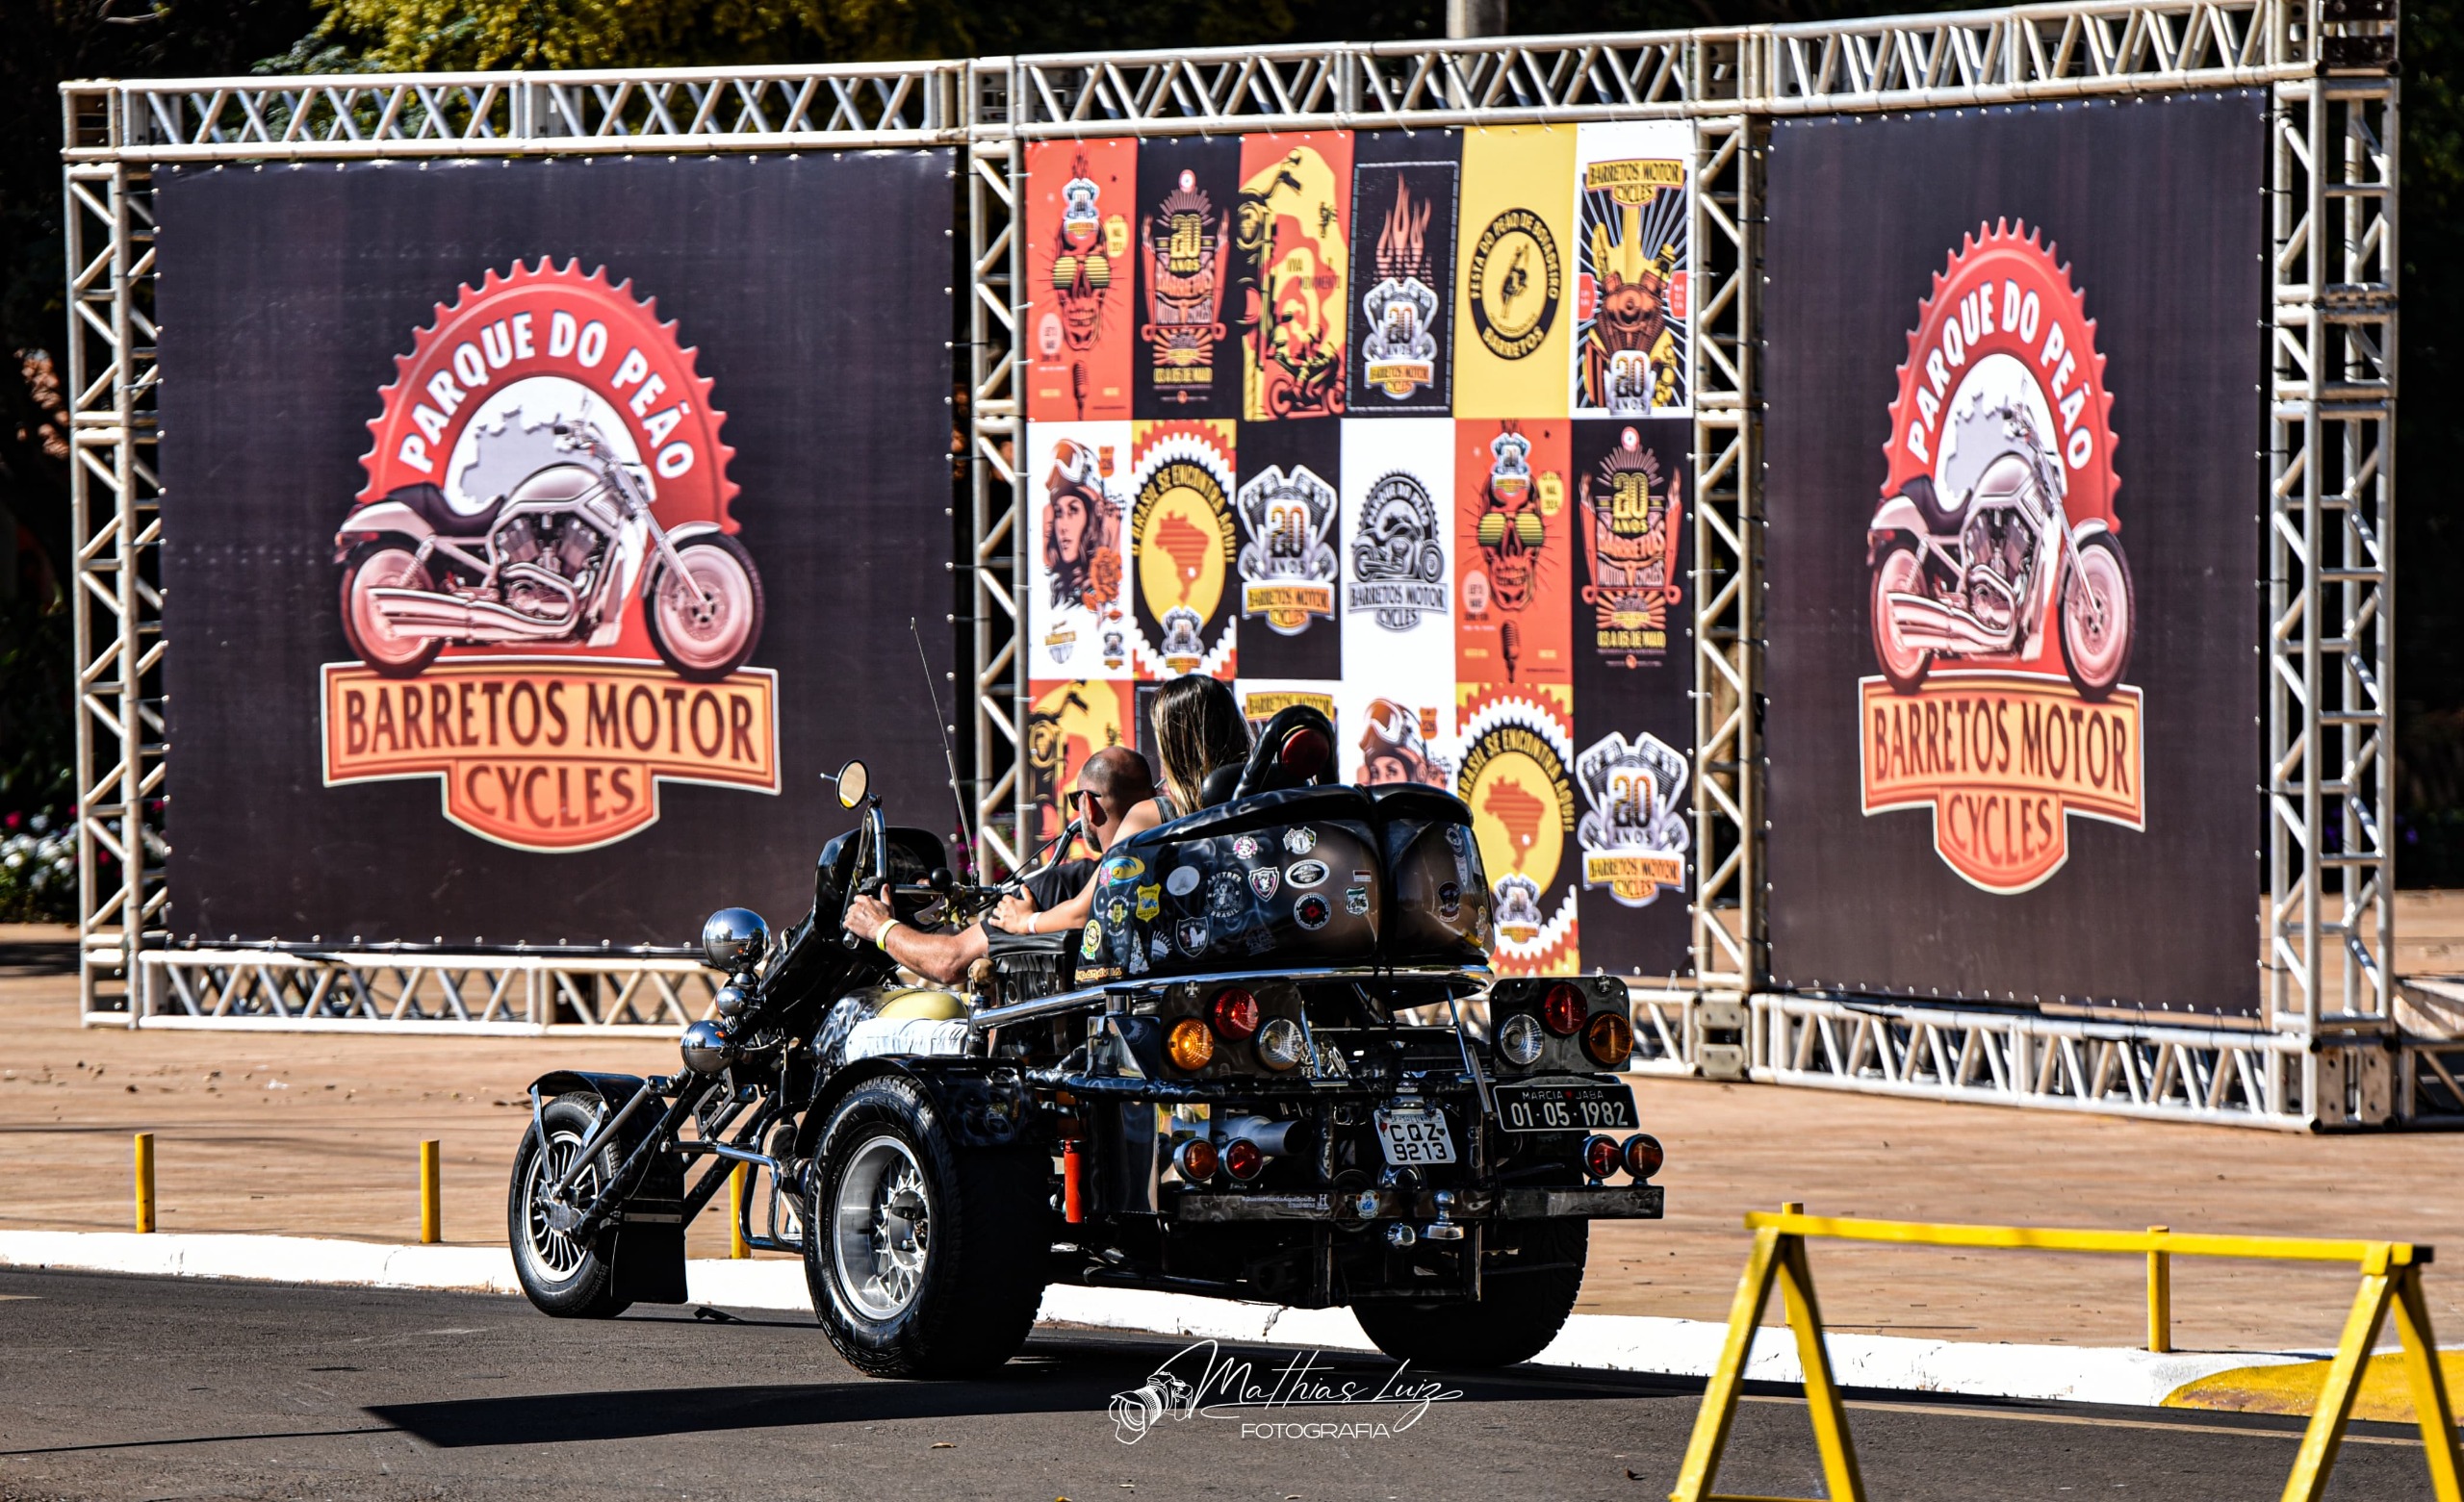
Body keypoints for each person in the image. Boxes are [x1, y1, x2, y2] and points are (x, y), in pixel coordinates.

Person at [842, 745, 1156, 985]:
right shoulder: (1172, 870)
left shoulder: (1057, 889)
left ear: (1087, 805)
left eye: (1077, 802)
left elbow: (950, 962)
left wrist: (880, 927)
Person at [993, 675, 1253, 937]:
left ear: (1174, 747)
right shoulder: (1264, 801)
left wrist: (1027, 921)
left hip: (1187, 968)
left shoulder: (1152, 816)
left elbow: (1089, 908)